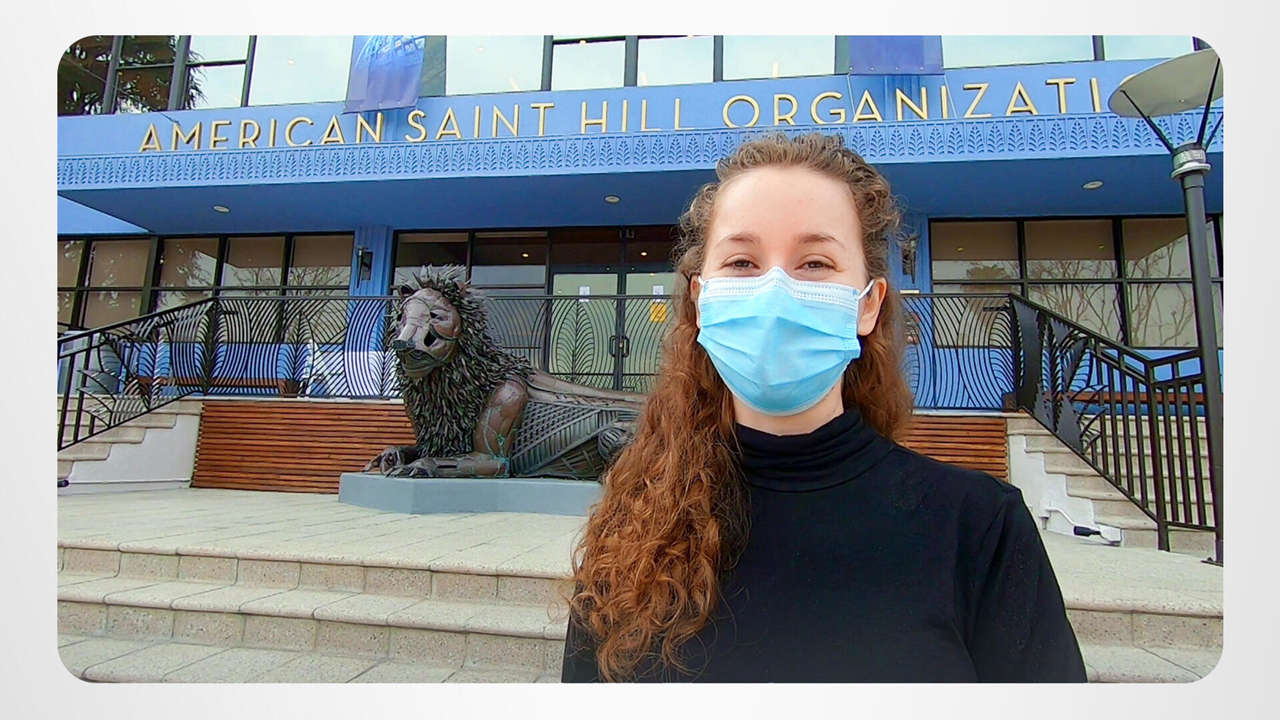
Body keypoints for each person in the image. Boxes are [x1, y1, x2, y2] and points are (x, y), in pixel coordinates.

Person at [558, 132, 1086, 683]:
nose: (775, 291)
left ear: (868, 305)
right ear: (700, 298)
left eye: (814, 263)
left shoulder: (980, 530)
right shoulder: (629, 535)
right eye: (742, 261)